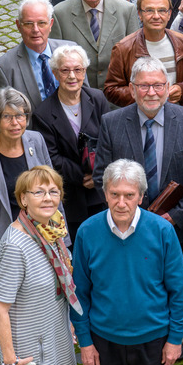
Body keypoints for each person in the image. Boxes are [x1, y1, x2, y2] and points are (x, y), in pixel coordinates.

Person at [72, 159, 183, 365]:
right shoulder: (87, 232)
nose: (121, 203)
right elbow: (80, 294)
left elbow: (179, 292)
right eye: (115, 194)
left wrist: (175, 339)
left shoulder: (163, 231)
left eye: (129, 195)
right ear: (105, 194)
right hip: (104, 343)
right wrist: (85, 343)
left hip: (154, 342)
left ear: (141, 196)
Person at [95, 57, 183, 256]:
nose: (151, 93)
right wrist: (128, 213)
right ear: (132, 89)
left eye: (157, 85)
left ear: (167, 88)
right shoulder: (111, 123)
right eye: (144, 86)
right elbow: (101, 177)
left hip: (177, 224)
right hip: (128, 223)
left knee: (171, 277)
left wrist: (175, 216)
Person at [0, 166, 80, 365]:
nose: (48, 198)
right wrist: (10, 360)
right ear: (23, 199)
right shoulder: (15, 245)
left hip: (56, 336)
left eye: (53, 191)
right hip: (32, 350)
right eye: (39, 192)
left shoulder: (53, 230)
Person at [0, 87, 55, 277]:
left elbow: (53, 189)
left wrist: (62, 239)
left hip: (43, 238)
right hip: (7, 246)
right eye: (7, 116)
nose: (15, 122)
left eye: (20, 115)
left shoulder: (36, 140)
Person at [30, 46, 111, 241]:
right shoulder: (43, 113)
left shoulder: (97, 98)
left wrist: (98, 175)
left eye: (78, 69)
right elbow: (51, 157)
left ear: (84, 71)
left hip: (101, 191)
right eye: (65, 70)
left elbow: (111, 141)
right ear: (55, 73)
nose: (72, 76)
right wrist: (83, 177)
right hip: (71, 196)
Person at [51, 0, 139, 90]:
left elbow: (134, 57)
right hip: (78, 95)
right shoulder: (59, 14)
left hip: (117, 96)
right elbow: (56, 61)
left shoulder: (126, 10)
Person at [103, 0, 183, 107]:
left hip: (177, 114)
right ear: (140, 15)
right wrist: (143, 94)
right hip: (139, 118)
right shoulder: (123, 48)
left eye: (162, 10)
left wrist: (182, 89)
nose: (156, 16)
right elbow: (111, 90)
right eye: (149, 10)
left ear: (169, 14)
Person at [0, 0, 78, 111]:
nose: (35, 29)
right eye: (28, 24)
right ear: (18, 25)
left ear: (51, 24)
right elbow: (0, 115)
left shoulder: (71, 51)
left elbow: (85, 96)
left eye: (41, 23)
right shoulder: (4, 67)